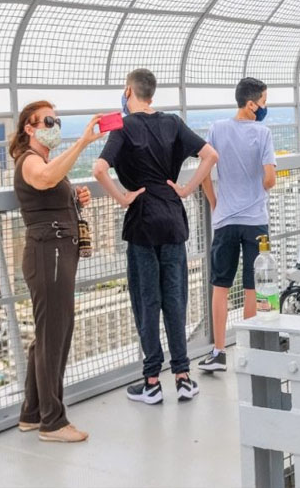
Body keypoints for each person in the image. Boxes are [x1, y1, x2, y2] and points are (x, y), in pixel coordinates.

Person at [93, 68, 217, 404]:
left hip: (143, 220)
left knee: (147, 300)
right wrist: (187, 188)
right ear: (152, 93)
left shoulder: (123, 126)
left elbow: (99, 169)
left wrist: (122, 197)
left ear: (128, 90)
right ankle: (183, 376)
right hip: (173, 217)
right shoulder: (173, 123)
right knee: (175, 299)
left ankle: (151, 381)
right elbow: (210, 155)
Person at [11, 100, 105, 443]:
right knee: (55, 334)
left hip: (56, 251)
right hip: (47, 252)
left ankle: (32, 413)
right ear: (30, 128)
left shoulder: (45, 161)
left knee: (48, 333)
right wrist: (83, 142)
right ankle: (53, 421)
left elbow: (49, 190)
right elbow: (45, 179)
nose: (55, 126)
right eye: (48, 121)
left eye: (57, 120)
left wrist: (74, 201)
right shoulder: (31, 161)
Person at [197, 78, 276, 373]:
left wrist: (215, 202)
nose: (266, 107)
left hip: (225, 219)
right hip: (256, 220)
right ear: (252, 103)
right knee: (252, 286)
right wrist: (263, 184)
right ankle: (250, 350)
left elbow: (205, 169)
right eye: (265, 101)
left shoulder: (216, 129)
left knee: (221, 285)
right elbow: (269, 179)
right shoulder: (263, 132)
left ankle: (218, 352)